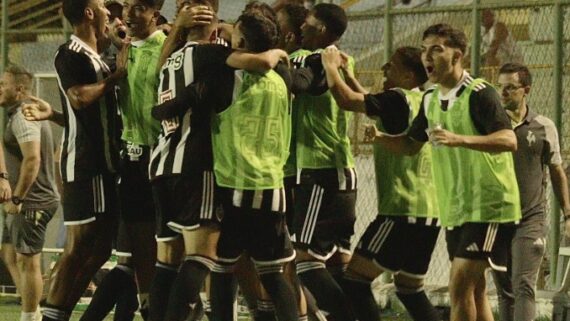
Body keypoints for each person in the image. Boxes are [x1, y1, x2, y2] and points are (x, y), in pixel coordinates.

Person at [367, 23, 521, 321]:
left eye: (437, 49)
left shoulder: (480, 93)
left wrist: (460, 139)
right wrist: (382, 138)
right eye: (425, 50)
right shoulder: (430, 99)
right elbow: (412, 145)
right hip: (457, 207)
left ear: (457, 56)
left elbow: (508, 139)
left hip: (490, 206)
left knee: (459, 285)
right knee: (474, 289)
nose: (428, 56)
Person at [148, 3, 291, 321]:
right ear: (213, 29)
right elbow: (252, 60)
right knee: (202, 258)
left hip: (161, 165)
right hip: (195, 166)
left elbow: (166, 94)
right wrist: (275, 54)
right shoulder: (211, 57)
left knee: (168, 260)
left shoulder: (170, 57)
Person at [322, 45, 441, 321]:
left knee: (354, 280)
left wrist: (330, 67)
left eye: (392, 65)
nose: (385, 69)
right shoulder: (420, 100)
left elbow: (349, 100)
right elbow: (370, 100)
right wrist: (349, 74)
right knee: (411, 290)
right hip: (430, 211)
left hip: (401, 210)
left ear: (410, 76)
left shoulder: (396, 99)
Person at [41, 0, 125, 320]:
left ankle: (60, 311)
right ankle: (51, 316)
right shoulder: (69, 54)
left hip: (106, 163)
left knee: (102, 247)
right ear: (89, 13)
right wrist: (114, 78)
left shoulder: (99, 55)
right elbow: (78, 97)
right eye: (103, 5)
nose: (109, 11)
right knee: (78, 245)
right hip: (84, 163)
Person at [291, 4, 357, 321]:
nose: (303, 27)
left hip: (320, 170)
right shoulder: (343, 61)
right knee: (336, 260)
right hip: (342, 170)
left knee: (303, 259)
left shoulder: (311, 60)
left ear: (324, 32)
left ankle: (348, 314)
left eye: (310, 23)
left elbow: (300, 83)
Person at [492, 63, 570, 321]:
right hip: (496, 218)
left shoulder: (543, 126)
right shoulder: (491, 126)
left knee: (524, 285)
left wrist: (567, 214)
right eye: (500, 87)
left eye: (510, 88)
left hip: (530, 220)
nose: (503, 93)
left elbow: (557, 172)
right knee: (505, 291)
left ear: (526, 90)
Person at [0, 65, 59, 321]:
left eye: (3, 84)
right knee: (10, 254)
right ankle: (32, 307)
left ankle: (31, 315)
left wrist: (18, 198)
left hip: (32, 200)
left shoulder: (25, 115)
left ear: (20, 89)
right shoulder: (16, 114)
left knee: (28, 260)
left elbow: (32, 159)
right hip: (26, 199)